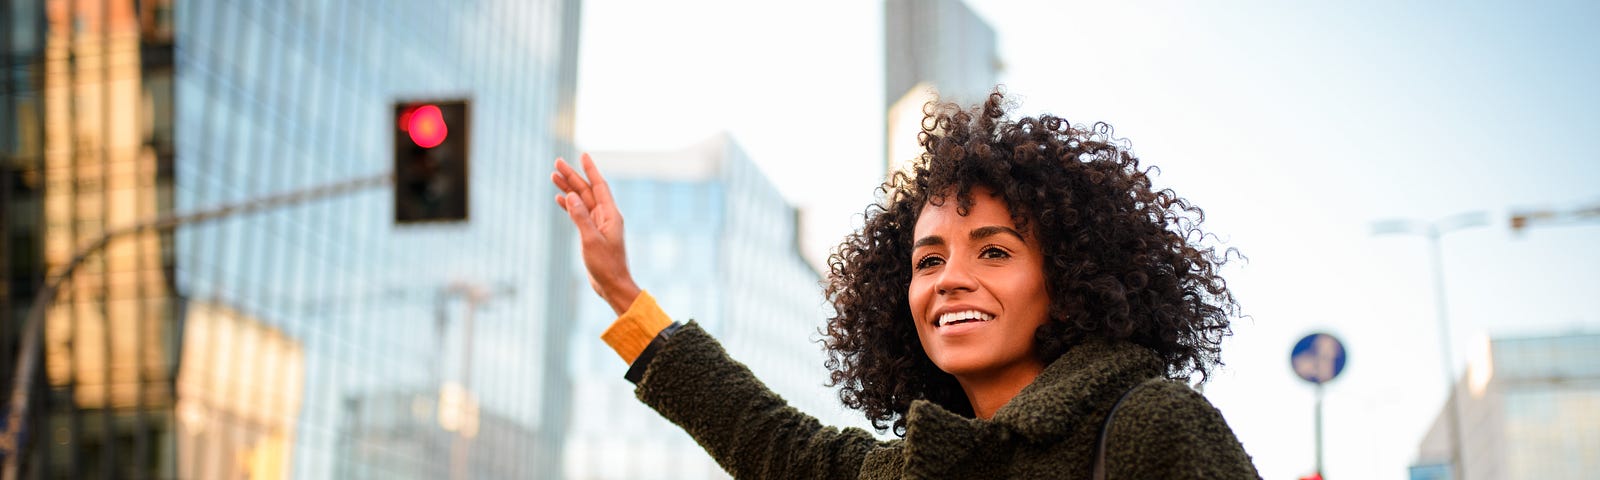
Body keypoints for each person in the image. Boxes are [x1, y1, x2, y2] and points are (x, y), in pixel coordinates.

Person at [551, 91, 1260, 479]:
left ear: (1072, 280)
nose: (950, 280)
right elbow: (760, 435)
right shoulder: (913, 469)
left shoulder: (1150, 425)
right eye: (927, 261)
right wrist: (621, 292)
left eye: (994, 251)